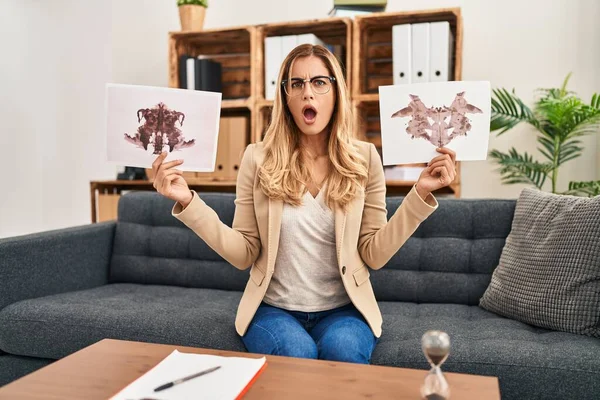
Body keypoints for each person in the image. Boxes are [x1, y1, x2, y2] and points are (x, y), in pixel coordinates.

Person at [151, 44, 457, 364]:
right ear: (285, 96)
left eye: (319, 82)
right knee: (297, 353)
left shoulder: (364, 158)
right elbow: (243, 253)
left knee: (343, 352)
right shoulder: (257, 158)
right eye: (296, 83)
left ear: (336, 92)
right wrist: (189, 202)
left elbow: (373, 254)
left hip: (344, 311)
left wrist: (419, 195)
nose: (307, 93)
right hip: (273, 311)